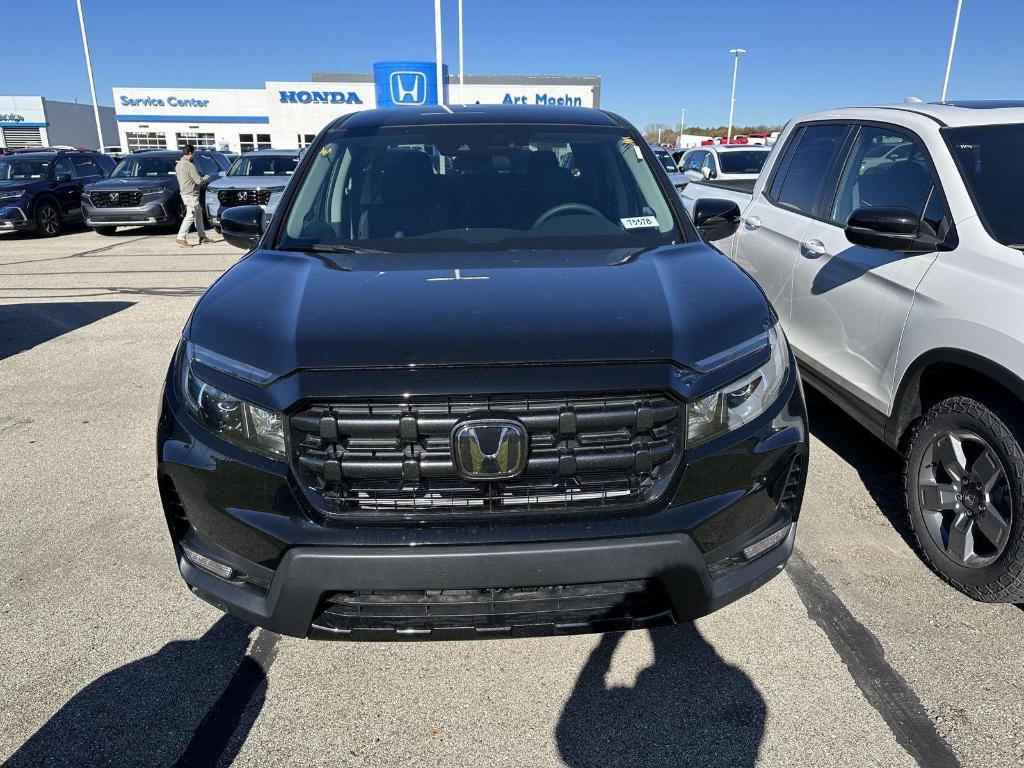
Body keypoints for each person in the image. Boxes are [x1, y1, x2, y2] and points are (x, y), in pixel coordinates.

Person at [175, 144, 211, 247]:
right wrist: (207, 177)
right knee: (190, 216)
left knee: (198, 214)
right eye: (193, 154)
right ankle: (180, 238)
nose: (194, 156)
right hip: (191, 194)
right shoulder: (189, 165)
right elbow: (198, 181)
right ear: (190, 153)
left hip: (185, 193)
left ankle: (202, 236)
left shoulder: (179, 165)